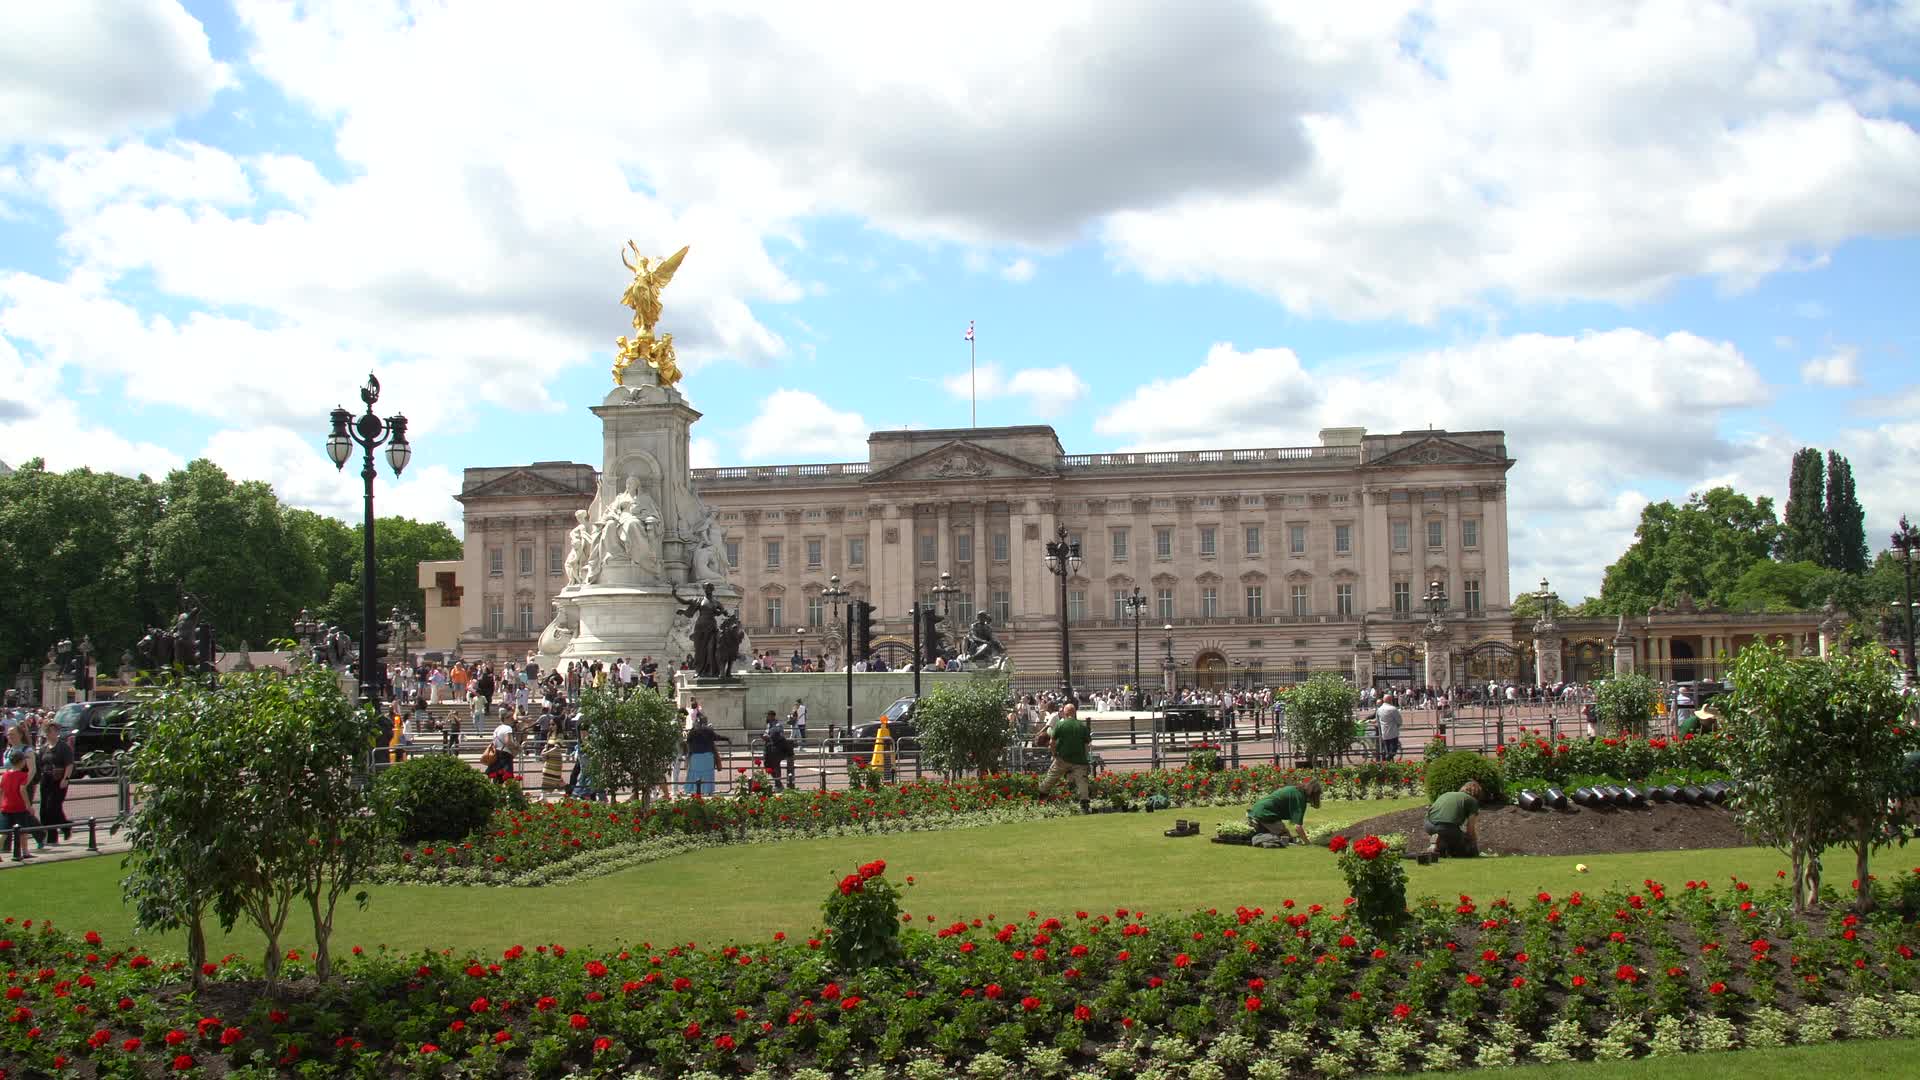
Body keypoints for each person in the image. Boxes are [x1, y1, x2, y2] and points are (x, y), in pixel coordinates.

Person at [1037, 702, 1092, 813]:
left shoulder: (1060, 725)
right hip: (1079, 760)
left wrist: (1054, 754)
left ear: (1065, 713)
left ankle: (1041, 800)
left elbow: (1052, 742)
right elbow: (1087, 745)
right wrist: (1085, 758)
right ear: (1075, 712)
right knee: (1082, 781)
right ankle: (1084, 805)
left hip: (1062, 759)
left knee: (1050, 778)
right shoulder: (1082, 726)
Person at [1247, 779, 1322, 845]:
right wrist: (1307, 842)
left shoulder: (1295, 789)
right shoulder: (1300, 797)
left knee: (1283, 834)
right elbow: (1298, 827)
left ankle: (1256, 826)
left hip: (1257, 809)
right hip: (1265, 813)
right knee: (1285, 836)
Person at [1425, 780, 1483, 858]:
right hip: (1446, 828)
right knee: (1463, 850)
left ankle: (1436, 844)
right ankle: (1442, 844)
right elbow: (1470, 829)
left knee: (1448, 836)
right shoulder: (1472, 801)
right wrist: (1473, 843)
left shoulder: (1447, 794)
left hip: (1428, 824)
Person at [36, 724, 72, 843]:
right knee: (44, 809)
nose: (48, 734)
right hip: (46, 780)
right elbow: (40, 764)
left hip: (58, 780)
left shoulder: (63, 747)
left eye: (50, 731)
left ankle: (54, 835)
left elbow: (69, 764)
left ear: (56, 732)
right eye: (47, 732)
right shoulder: (43, 748)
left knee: (52, 807)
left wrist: (65, 779)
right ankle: (64, 827)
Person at [1, 749, 40, 856]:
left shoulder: (5, 775)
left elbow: (1, 790)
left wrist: (1, 804)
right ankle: (25, 852)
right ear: (21, 762)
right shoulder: (23, 775)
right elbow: (22, 789)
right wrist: (28, 805)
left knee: (4, 832)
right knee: (23, 831)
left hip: (6, 807)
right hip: (19, 807)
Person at [683, 712, 730, 796]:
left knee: (694, 773)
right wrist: (727, 738)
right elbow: (717, 737)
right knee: (708, 774)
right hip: (707, 755)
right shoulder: (708, 730)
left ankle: (694, 790)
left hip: (695, 756)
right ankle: (707, 790)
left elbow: (688, 741)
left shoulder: (693, 731)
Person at [761, 710, 795, 791]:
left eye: (768, 715)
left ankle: (778, 785)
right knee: (767, 766)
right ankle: (778, 783)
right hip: (769, 749)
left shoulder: (778, 725)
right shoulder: (769, 724)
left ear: (772, 716)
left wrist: (769, 737)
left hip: (777, 749)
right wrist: (765, 736)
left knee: (776, 766)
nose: (767, 717)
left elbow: (779, 735)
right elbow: (767, 733)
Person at [486, 716, 518, 785]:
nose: (513, 720)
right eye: (511, 718)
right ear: (505, 719)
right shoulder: (508, 728)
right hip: (505, 754)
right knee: (508, 777)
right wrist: (516, 748)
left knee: (497, 777)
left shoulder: (497, 728)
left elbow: (494, 743)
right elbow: (508, 741)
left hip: (497, 752)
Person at [1375, 693, 1403, 762]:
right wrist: (1397, 725)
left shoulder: (1379, 709)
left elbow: (1378, 721)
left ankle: (1386, 762)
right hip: (1393, 733)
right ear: (1390, 700)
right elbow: (1399, 721)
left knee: (1387, 750)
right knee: (1393, 750)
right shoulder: (1393, 709)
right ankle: (1386, 759)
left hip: (1384, 733)